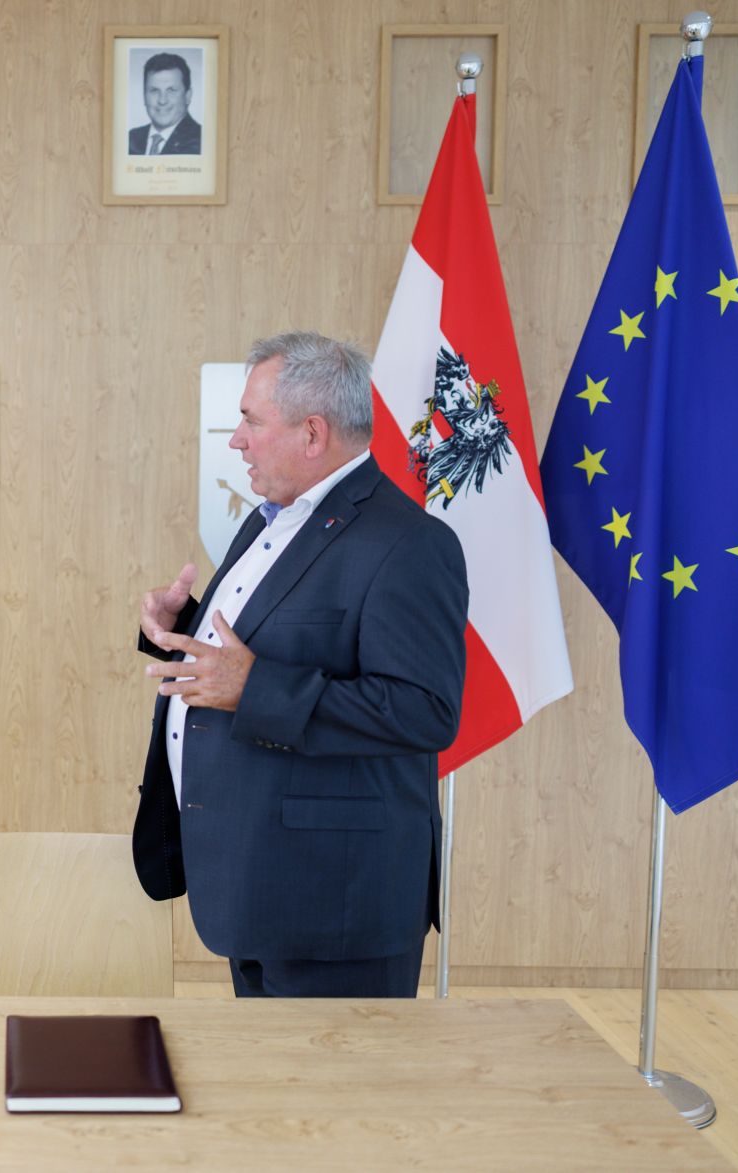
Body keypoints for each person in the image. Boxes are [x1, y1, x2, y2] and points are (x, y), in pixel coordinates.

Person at [134, 331, 468, 998]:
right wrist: (182, 627)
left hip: (334, 909)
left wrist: (253, 686)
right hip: (256, 887)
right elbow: (282, 636)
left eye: (251, 421)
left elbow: (424, 710)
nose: (237, 439)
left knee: (337, 1103)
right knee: (271, 1101)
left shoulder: (410, 544)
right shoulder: (269, 520)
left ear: (313, 434)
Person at [127, 52, 202, 155]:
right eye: (154, 90)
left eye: (171, 90)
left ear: (187, 96)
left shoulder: (203, 142)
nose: (162, 100)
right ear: (144, 95)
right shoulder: (130, 139)